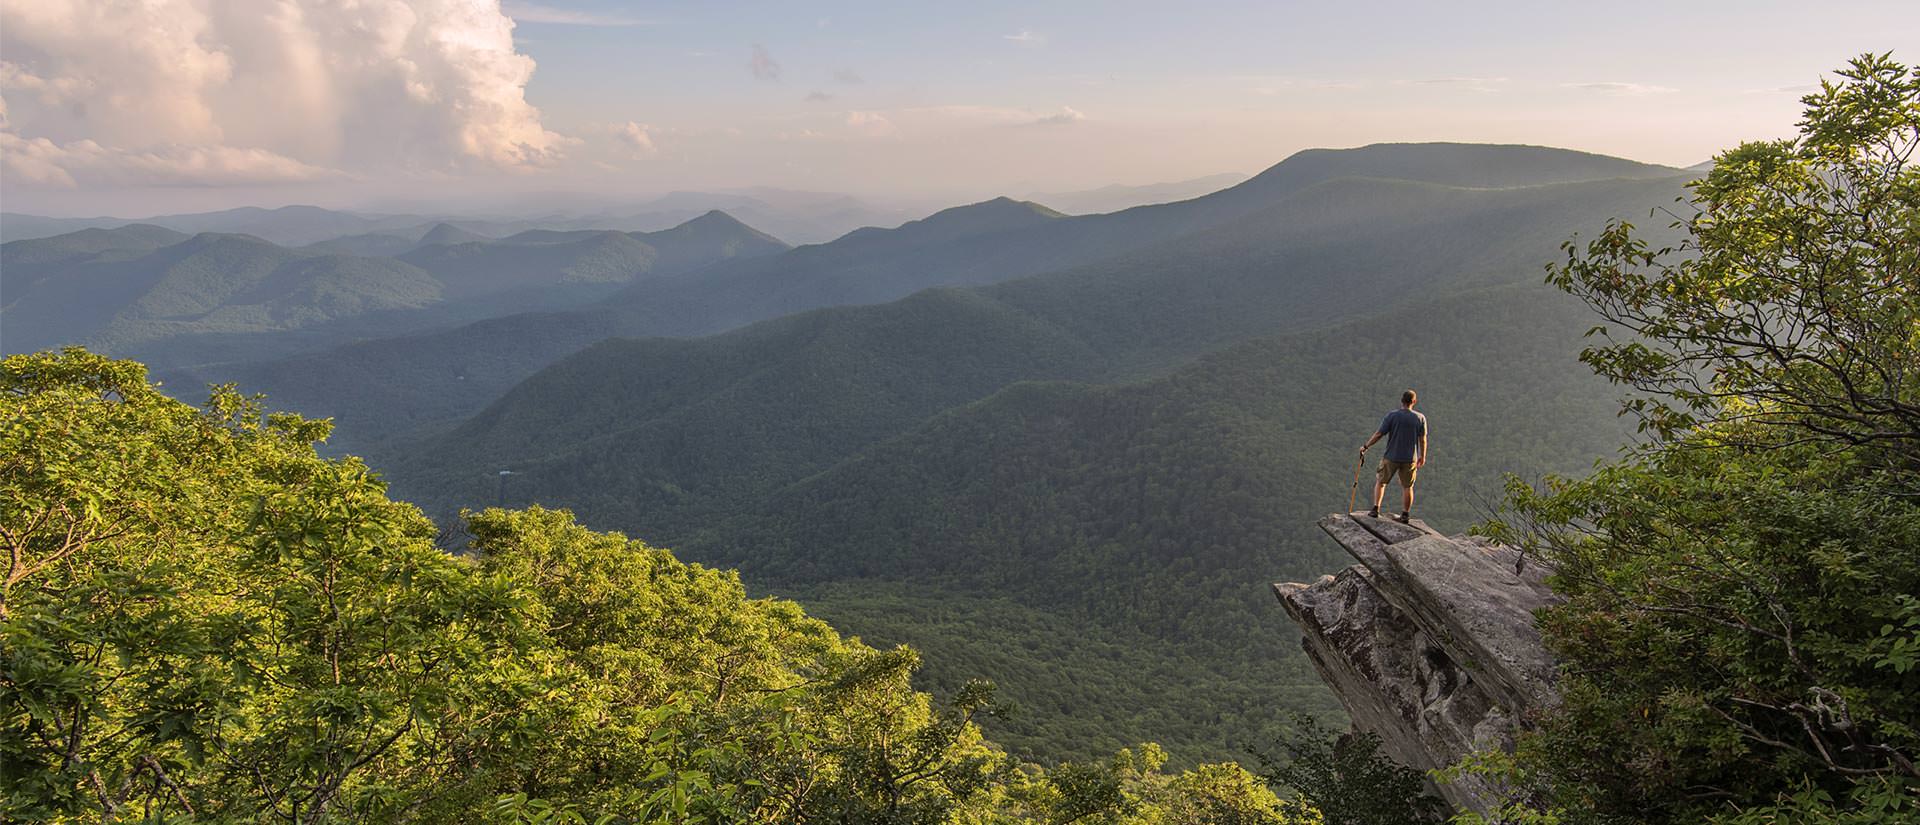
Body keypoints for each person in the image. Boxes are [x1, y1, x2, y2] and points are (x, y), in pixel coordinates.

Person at [1359, 389, 1428, 523]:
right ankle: (1405, 515)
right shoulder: (1420, 418)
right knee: (1408, 487)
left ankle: (1375, 509)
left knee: (1381, 482)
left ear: (1401, 401)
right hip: (1410, 458)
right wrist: (1422, 456)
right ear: (1414, 401)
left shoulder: (1392, 416)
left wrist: (1366, 446)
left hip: (1391, 456)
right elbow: (1423, 439)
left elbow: (1379, 434)